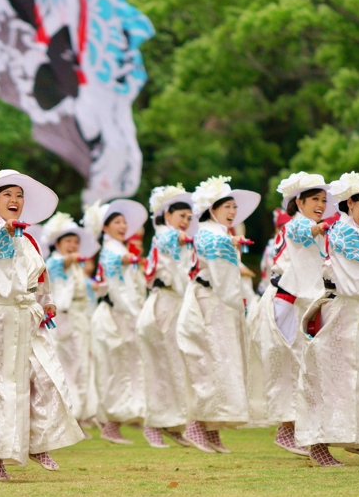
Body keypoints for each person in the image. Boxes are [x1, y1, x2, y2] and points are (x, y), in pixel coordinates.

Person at [0, 164, 84, 481]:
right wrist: (0, 230)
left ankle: (38, 441)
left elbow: (39, 276)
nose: (15, 199)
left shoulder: (27, 237)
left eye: (19, 195)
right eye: (8, 194)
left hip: (28, 317)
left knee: (43, 377)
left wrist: (47, 301)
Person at [294, 171, 359, 467]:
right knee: (334, 376)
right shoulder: (341, 230)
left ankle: (357, 437)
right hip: (340, 309)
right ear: (350, 203)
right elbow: (349, 239)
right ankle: (318, 444)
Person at [247, 172, 334, 456]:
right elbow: (302, 233)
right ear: (299, 201)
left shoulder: (313, 227)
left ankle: (291, 429)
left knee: (299, 365)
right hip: (284, 303)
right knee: (287, 363)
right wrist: (319, 229)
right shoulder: (297, 225)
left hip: (301, 305)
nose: (321, 204)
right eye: (315, 199)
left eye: (323, 199)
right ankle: (287, 429)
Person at [177, 176, 260, 453]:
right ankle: (197, 424)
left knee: (224, 362)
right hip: (211, 301)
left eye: (234, 207)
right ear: (212, 208)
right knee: (213, 361)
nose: (233, 212)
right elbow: (222, 277)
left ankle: (212, 428)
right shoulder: (210, 234)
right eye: (227, 206)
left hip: (220, 301)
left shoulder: (218, 233)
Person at [86, 198, 149, 445]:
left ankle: (116, 421)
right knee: (115, 369)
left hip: (124, 313)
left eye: (124, 222)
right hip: (115, 315)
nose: (123, 226)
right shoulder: (113, 251)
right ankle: (110, 423)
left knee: (124, 368)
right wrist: (135, 312)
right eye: (117, 222)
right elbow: (116, 281)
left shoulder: (120, 249)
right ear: (105, 228)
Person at [137, 185, 195, 448]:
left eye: (188, 218)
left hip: (177, 303)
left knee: (175, 366)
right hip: (162, 305)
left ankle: (172, 423)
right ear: (167, 215)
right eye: (181, 215)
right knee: (159, 365)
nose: (185, 221)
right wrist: (182, 238)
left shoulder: (177, 237)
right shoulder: (165, 236)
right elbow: (170, 242)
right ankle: (152, 423)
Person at [41, 212, 99, 428]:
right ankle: (67, 414)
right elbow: (58, 267)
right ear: (57, 243)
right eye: (68, 241)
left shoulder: (76, 266)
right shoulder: (55, 262)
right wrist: (71, 259)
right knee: (65, 364)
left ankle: (81, 413)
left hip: (79, 316)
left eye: (76, 242)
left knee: (81, 364)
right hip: (62, 318)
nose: (73, 245)